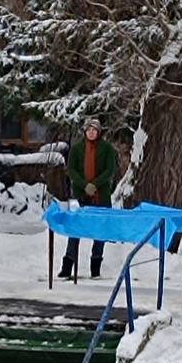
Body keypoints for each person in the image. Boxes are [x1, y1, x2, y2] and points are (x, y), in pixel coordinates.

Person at [59, 117, 119, 282]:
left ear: (98, 132)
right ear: (85, 132)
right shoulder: (77, 148)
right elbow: (71, 169)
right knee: (75, 230)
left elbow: (110, 170)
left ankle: (95, 266)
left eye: (94, 130)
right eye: (89, 130)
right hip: (82, 195)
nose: (91, 133)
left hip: (101, 195)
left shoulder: (107, 148)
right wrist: (85, 185)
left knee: (100, 231)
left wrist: (95, 184)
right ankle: (67, 265)